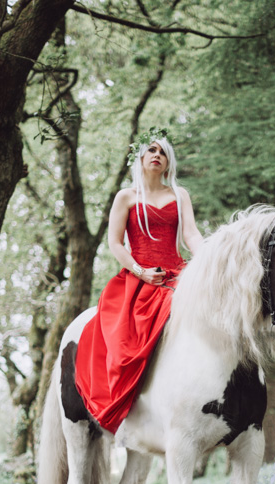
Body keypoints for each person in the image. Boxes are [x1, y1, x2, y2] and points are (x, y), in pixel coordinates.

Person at [74, 129, 203, 433]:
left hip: (176, 272)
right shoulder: (126, 197)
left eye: (162, 152)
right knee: (126, 339)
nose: (157, 155)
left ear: (168, 161)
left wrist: (207, 259)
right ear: (141, 159)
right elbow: (116, 243)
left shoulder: (179, 194)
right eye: (151, 151)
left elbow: (191, 235)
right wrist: (140, 271)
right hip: (140, 275)